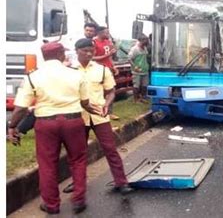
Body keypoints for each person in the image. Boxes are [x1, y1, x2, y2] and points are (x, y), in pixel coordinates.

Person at [7, 42, 102, 215]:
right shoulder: (75, 74)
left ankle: (51, 205)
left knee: (47, 164)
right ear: (60, 54)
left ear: (44, 57)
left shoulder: (32, 76)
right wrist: (89, 108)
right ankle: (79, 200)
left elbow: (21, 108)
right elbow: (85, 102)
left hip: (46, 123)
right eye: (63, 53)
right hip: (73, 121)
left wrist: (12, 126)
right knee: (78, 160)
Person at [63, 39, 133, 195]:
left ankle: (121, 182)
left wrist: (107, 103)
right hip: (77, 116)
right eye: (85, 50)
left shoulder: (102, 70)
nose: (89, 53)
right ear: (76, 50)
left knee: (110, 149)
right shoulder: (68, 70)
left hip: (100, 115)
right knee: (77, 152)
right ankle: (77, 182)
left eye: (92, 50)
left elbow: (111, 91)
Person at [93, 26, 120, 120]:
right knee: (100, 92)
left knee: (111, 90)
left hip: (108, 69)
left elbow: (110, 58)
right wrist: (107, 55)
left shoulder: (108, 42)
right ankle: (99, 111)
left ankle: (109, 112)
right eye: (106, 32)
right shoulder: (94, 42)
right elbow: (93, 58)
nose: (108, 34)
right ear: (99, 33)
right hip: (99, 70)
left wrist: (114, 66)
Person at [128, 34, 150, 103]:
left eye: (146, 40)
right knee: (136, 85)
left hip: (145, 70)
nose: (146, 41)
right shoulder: (135, 49)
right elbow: (130, 59)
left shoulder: (145, 48)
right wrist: (135, 67)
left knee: (144, 85)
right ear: (140, 40)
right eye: (144, 40)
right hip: (137, 71)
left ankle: (143, 97)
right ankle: (136, 99)